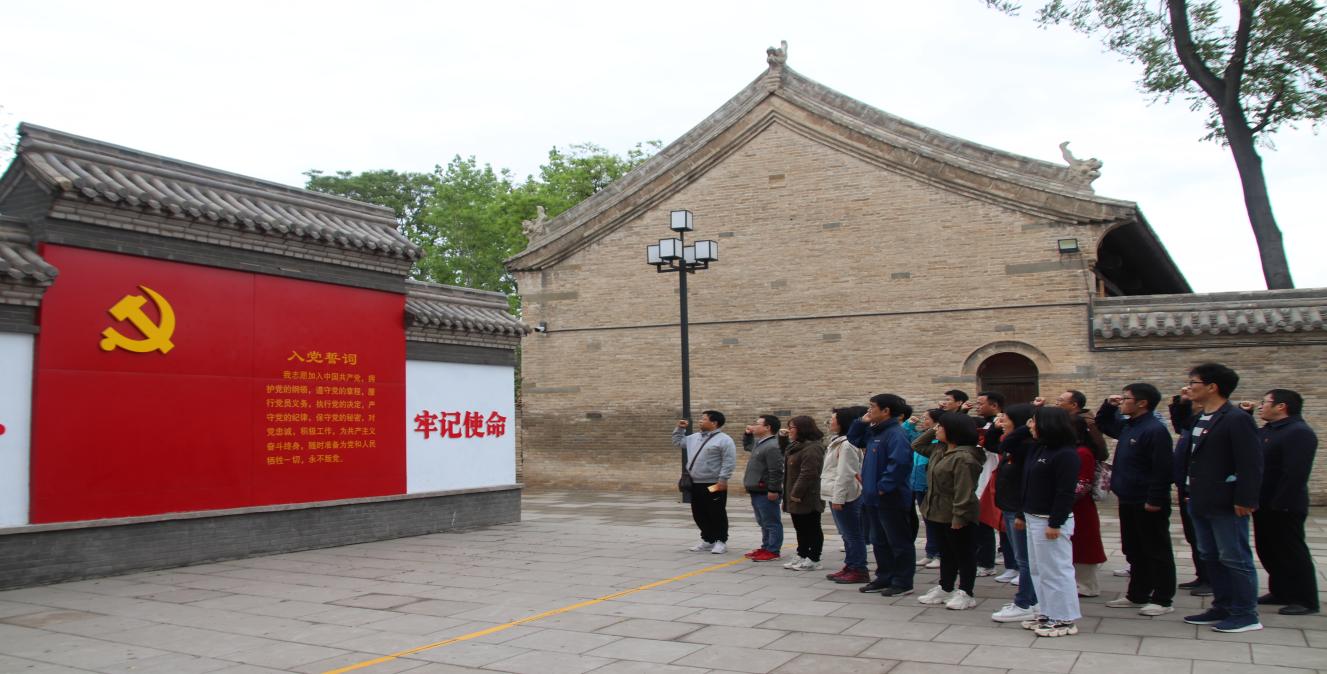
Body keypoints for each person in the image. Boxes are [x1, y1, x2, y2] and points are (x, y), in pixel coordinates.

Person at [1178, 363, 1264, 633]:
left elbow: (1251, 462)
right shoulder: (1200, 417)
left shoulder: (1236, 419)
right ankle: (1222, 605)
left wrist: (1246, 499)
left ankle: (1246, 613)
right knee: (1210, 555)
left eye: (1194, 382)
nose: (1189, 387)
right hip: (1200, 499)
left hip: (1226, 502)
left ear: (1212, 387)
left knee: (1235, 557)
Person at [1096, 383, 1176, 616]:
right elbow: (1104, 424)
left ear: (1142, 403)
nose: (1122, 402)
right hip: (1128, 498)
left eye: (1126, 398)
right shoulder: (1130, 426)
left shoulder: (1154, 430)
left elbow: (1162, 468)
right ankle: (1138, 594)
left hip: (1147, 501)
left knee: (1156, 550)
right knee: (1135, 549)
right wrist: (1108, 406)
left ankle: (1163, 598)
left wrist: (1155, 499)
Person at [1251, 389, 1319, 616]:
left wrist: (1281, 503)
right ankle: (1281, 591)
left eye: (1265, 402)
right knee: (1268, 550)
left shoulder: (1298, 432)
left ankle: (1305, 599)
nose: (1261, 406)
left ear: (1281, 406)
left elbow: (1295, 473)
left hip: (1284, 504)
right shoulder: (1269, 430)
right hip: (1263, 502)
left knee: (1291, 551)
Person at [1017, 406, 1082, 637]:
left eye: (1034, 421)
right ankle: (1047, 611)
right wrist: (1021, 513)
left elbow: (1065, 492)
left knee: (1056, 570)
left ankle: (1064, 618)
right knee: (1038, 569)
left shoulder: (1066, 454)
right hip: (1032, 516)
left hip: (1050, 521)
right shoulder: (1038, 448)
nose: (1030, 425)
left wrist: (1056, 522)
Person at [912, 413, 984, 610]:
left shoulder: (964, 457)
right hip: (938, 511)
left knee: (963, 553)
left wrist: (959, 516)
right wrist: (932, 429)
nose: (937, 429)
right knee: (946, 551)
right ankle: (946, 587)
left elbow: (964, 490)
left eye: (941, 427)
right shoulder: (940, 450)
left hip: (957, 513)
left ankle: (966, 592)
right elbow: (917, 445)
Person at [847, 393, 917, 597]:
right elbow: (854, 439)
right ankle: (884, 576)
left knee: (898, 541)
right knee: (879, 540)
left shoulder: (895, 434)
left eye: (872, 407)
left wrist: (883, 486)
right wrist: (861, 422)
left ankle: (903, 582)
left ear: (886, 411)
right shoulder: (875, 432)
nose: (869, 410)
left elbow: (900, 463)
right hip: (873, 497)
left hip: (890, 497)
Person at [990, 403, 1039, 622]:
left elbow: (1027, 483)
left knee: (1025, 560)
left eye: (1006, 418)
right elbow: (999, 445)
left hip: (1019, 510)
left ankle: (1025, 603)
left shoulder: (1027, 446)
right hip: (1010, 508)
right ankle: (1032, 600)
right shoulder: (1019, 444)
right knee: (1024, 559)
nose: (1001, 422)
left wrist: (1020, 512)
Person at [672, 410, 737, 554]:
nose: (700, 421)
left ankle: (720, 541)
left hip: (714, 483)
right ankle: (708, 539)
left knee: (716, 512)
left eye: (704, 419)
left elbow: (729, 462)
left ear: (714, 423)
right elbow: (678, 442)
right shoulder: (694, 437)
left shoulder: (724, 440)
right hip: (695, 483)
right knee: (699, 513)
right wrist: (680, 429)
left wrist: (723, 479)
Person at [1169, 390, 1211, 596]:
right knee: (1193, 536)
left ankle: (1212, 580)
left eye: (1194, 385)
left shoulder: (1219, 420)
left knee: (1207, 538)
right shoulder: (1195, 422)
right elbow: (1181, 424)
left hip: (1204, 489)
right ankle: (1202, 575)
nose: (1190, 390)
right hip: (1186, 486)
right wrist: (1182, 402)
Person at [823, 406, 868, 583]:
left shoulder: (847, 444)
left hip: (846, 495)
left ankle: (859, 569)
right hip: (835, 492)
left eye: (833, 419)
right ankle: (850, 565)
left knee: (853, 534)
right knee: (846, 534)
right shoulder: (838, 442)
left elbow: (845, 473)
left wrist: (838, 498)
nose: (830, 422)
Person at [1068, 416, 1107, 599]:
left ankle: (1087, 585)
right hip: (1072, 506)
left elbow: (1083, 484)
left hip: (1080, 507)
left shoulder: (1083, 453)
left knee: (1083, 545)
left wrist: (1062, 499)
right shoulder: (1072, 451)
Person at [973, 391, 1011, 579]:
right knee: (984, 521)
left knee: (999, 521)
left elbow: (993, 446)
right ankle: (987, 560)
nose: (977, 406)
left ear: (994, 405)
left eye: (981, 403)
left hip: (996, 475)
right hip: (984, 475)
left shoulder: (1000, 425)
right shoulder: (986, 424)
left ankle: (993, 562)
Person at [781, 415, 826, 571]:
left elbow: (809, 473)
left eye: (791, 428)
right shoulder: (797, 446)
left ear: (802, 429)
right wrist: (782, 438)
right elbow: (785, 452)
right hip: (794, 494)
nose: (789, 431)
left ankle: (814, 558)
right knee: (800, 527)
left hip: (807, 495)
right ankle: (802, 554)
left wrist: (796, 493)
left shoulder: (813, 448)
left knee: (811, 527)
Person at [741, 414, 785, 562]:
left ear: (767, 427)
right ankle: (766, 546)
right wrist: (747, 435)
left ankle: (773, 550)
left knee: (771, 522)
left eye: (757, 424)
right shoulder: (760, 443)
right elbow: (748, 446)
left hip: (766, 490)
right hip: (756, 490)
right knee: (763, 522)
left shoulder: (772, 446)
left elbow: (776, 470)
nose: (754, 426)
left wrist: (774, 489)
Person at [908, 409, 945, 569]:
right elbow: (913, 442)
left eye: (927, 419)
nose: (924, 421)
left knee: (936, 522)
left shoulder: (938, 442)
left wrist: (934, 430)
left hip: (929, 485)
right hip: (918, 485)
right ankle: (931, 552)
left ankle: (939, 554)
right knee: (928, 521)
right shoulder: (925, 436)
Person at [1050, 390, 1109, 461]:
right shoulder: (1064, 419)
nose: (1056, 403)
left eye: (1060, 400)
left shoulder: (1087, 422)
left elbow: (1100, 447)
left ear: (1074, 405)